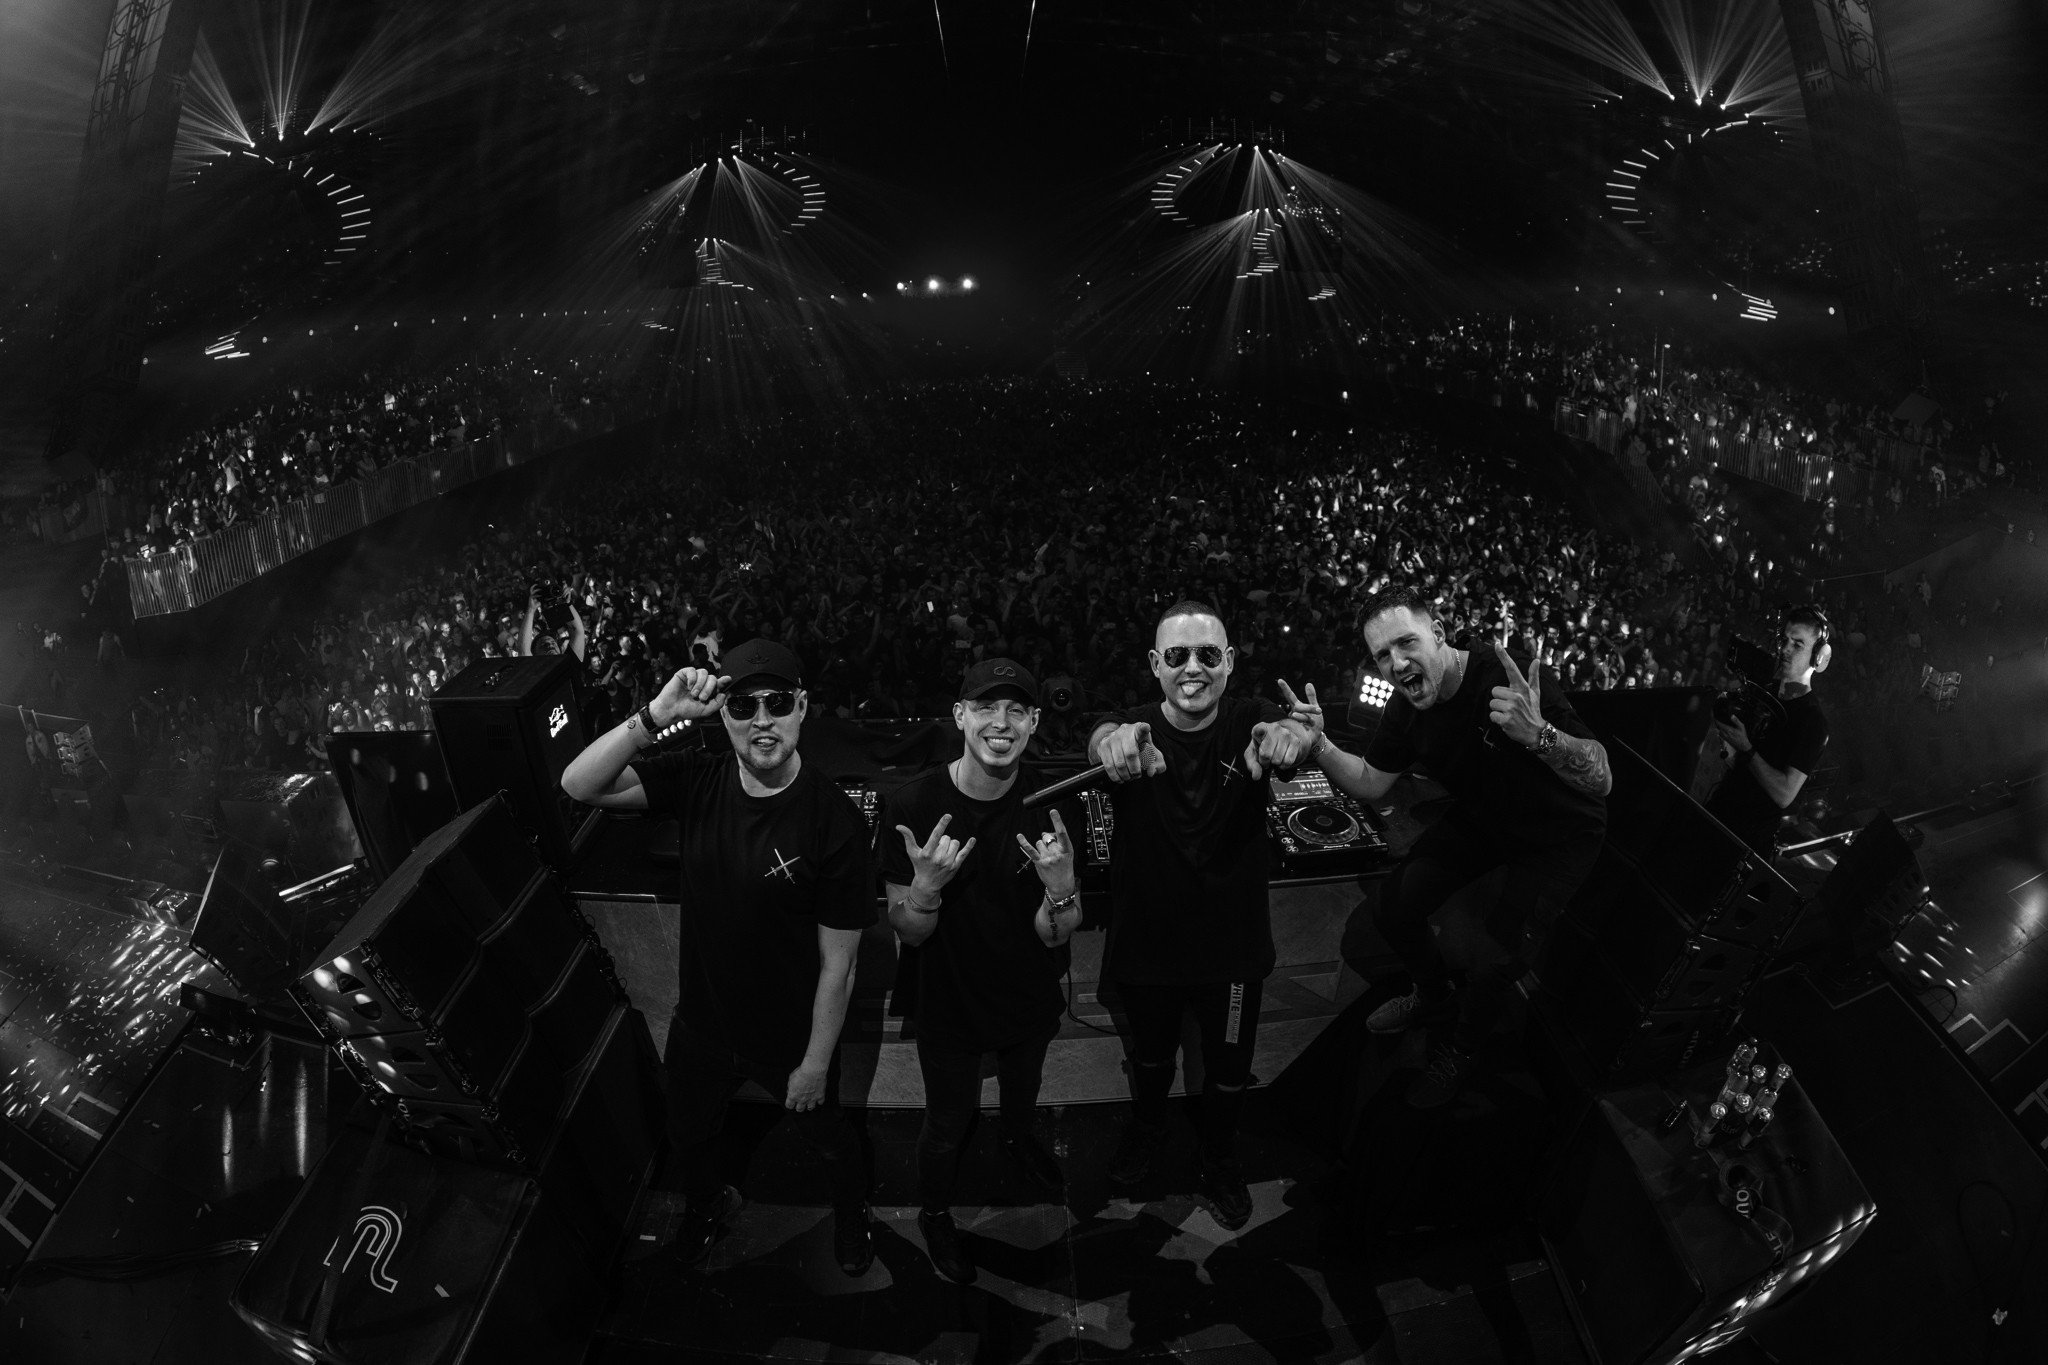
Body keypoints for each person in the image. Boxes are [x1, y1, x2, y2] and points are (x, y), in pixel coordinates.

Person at [559, 639, 877, 1275]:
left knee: (829, 1139)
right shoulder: (697, 777)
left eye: (777, 703)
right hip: (702, 1025)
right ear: (723, 714)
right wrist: (655, 714)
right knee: (688, 1136)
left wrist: (815, 1064)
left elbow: (839, 966)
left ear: (802, 708)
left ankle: (851, 1212)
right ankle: (707, 1205)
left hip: (790, 1036)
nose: (762, 720)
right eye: (743, 706)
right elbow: (579, 784)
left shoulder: (833, 821)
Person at [1288, 585, 1609, 1108]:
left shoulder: (1504, 676)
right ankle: (1433, 995)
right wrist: (1320, 744)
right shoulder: (1405, 706)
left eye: (1406, 643)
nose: (1397, 664)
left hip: (1558, 835)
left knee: (1492, 963)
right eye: (1382, 655)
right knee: (1393, 907)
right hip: (1488, 818)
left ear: (1438, 633)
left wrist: (1541, 736)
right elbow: (1371, 781)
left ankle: (1462, 1049)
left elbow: (1602, 778)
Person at [1087, 600, 1311, 1230]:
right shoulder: (1133, 727)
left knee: (1230, 1067)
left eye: (1208, 654)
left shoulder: (1249, 719)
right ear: (1155, 665)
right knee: (1152, 1057)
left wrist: (1291, 737)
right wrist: (1111, 744)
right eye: (1178, 655)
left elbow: (1284, 732)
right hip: (1148, 942)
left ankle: (1219, 1155)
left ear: (1229, 662)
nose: (1194, 668)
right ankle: (1149, 1129)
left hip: (1231, 946)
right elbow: (1103, 735)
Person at [879, 659, 1085, 1284]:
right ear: (960, 715)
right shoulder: (913, 803)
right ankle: (935, 1213)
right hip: (948, 1000)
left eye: (1016, 710)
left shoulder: (1053, 804)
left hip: (1027, 993)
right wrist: (925, 889)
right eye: (986, 708)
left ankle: (1018, 1141)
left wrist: (1060, 889)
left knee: (1023, 1094)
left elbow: (1056, 931)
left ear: (1035, 721)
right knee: (947, 1123)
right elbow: (909, 931)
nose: (1001, 723)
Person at [1705, 606, 1831, 856]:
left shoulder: (1813, 722)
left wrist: (1746, 748)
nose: (1785, 649)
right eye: (1784, 640)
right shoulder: (1762, 690)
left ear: (1818, 657)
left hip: (1747, 840)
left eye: (1797, 644)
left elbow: (1784, 794)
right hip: (1719, 812)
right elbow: (1735, 760)